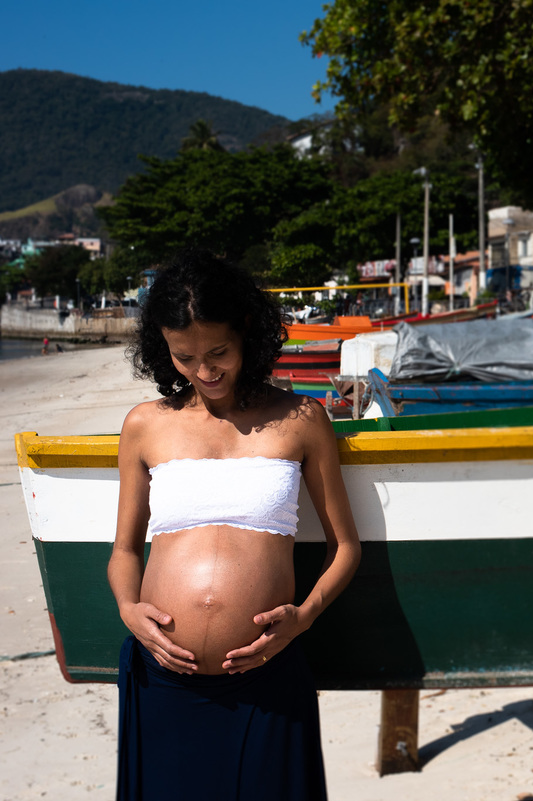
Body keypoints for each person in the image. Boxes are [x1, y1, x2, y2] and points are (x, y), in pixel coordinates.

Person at [108, 249, 362, 800]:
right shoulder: (144, 425)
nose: (205, 371)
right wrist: (130, 611)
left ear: (247, 329)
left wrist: (304, 618)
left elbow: (345, 546)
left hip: (267, 680)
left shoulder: (301, 419)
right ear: (162, 347)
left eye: (218, 351)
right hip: (162, 679)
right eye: (185, 357)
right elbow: (125, 551)